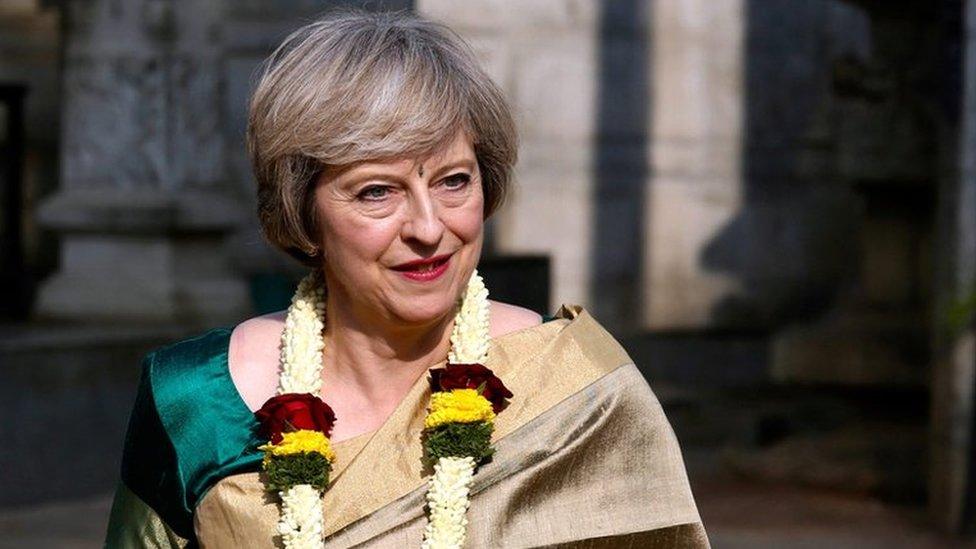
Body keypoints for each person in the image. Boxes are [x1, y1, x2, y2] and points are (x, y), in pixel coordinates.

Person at [104, 9, 708, 548]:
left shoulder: (577, 391)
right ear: (303, 215)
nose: (428, 226)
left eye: (453, 181)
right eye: (376, 191)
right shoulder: (194, 401)